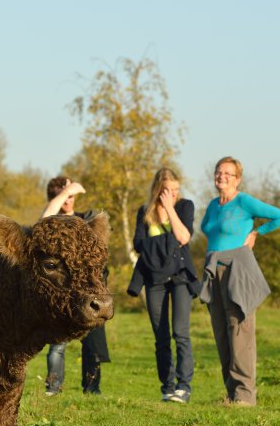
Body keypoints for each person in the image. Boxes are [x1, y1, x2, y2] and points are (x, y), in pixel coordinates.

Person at [199, 156, 280, 406]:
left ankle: (245, 396)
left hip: (237, 268)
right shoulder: (212, 205)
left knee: (239, 330)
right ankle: (231, 394)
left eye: (228, 173)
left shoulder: (244, 202)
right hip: (213, 269)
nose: (222, 176)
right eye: (219, 172)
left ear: (237, 178)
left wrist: (256, 233)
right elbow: (207, 230)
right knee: (221, 332)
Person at [128, 168, 198, 403]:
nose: (173, 194)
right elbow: (138, 244)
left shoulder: (184, 207)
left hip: (180, 277)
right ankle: (167, 386)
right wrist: (167, 243)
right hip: (154, 279)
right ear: (158, 189)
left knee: (181, 333)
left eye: (176, 190)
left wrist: (169, 209)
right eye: (168, 190)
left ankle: (184, 387)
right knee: (161, 336)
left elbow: (184, 237)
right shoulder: (144, 212)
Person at [42, 176, 111, 396]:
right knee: (57, 344)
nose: (68, 199)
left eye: (71, 195)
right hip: (62, 295)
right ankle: (53, 387)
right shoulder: (51, 226)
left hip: (87, 293)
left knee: (92, 342)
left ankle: (92, 388)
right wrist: (64, 191)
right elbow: (42, 221)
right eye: (62, 195)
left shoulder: (86, 220)